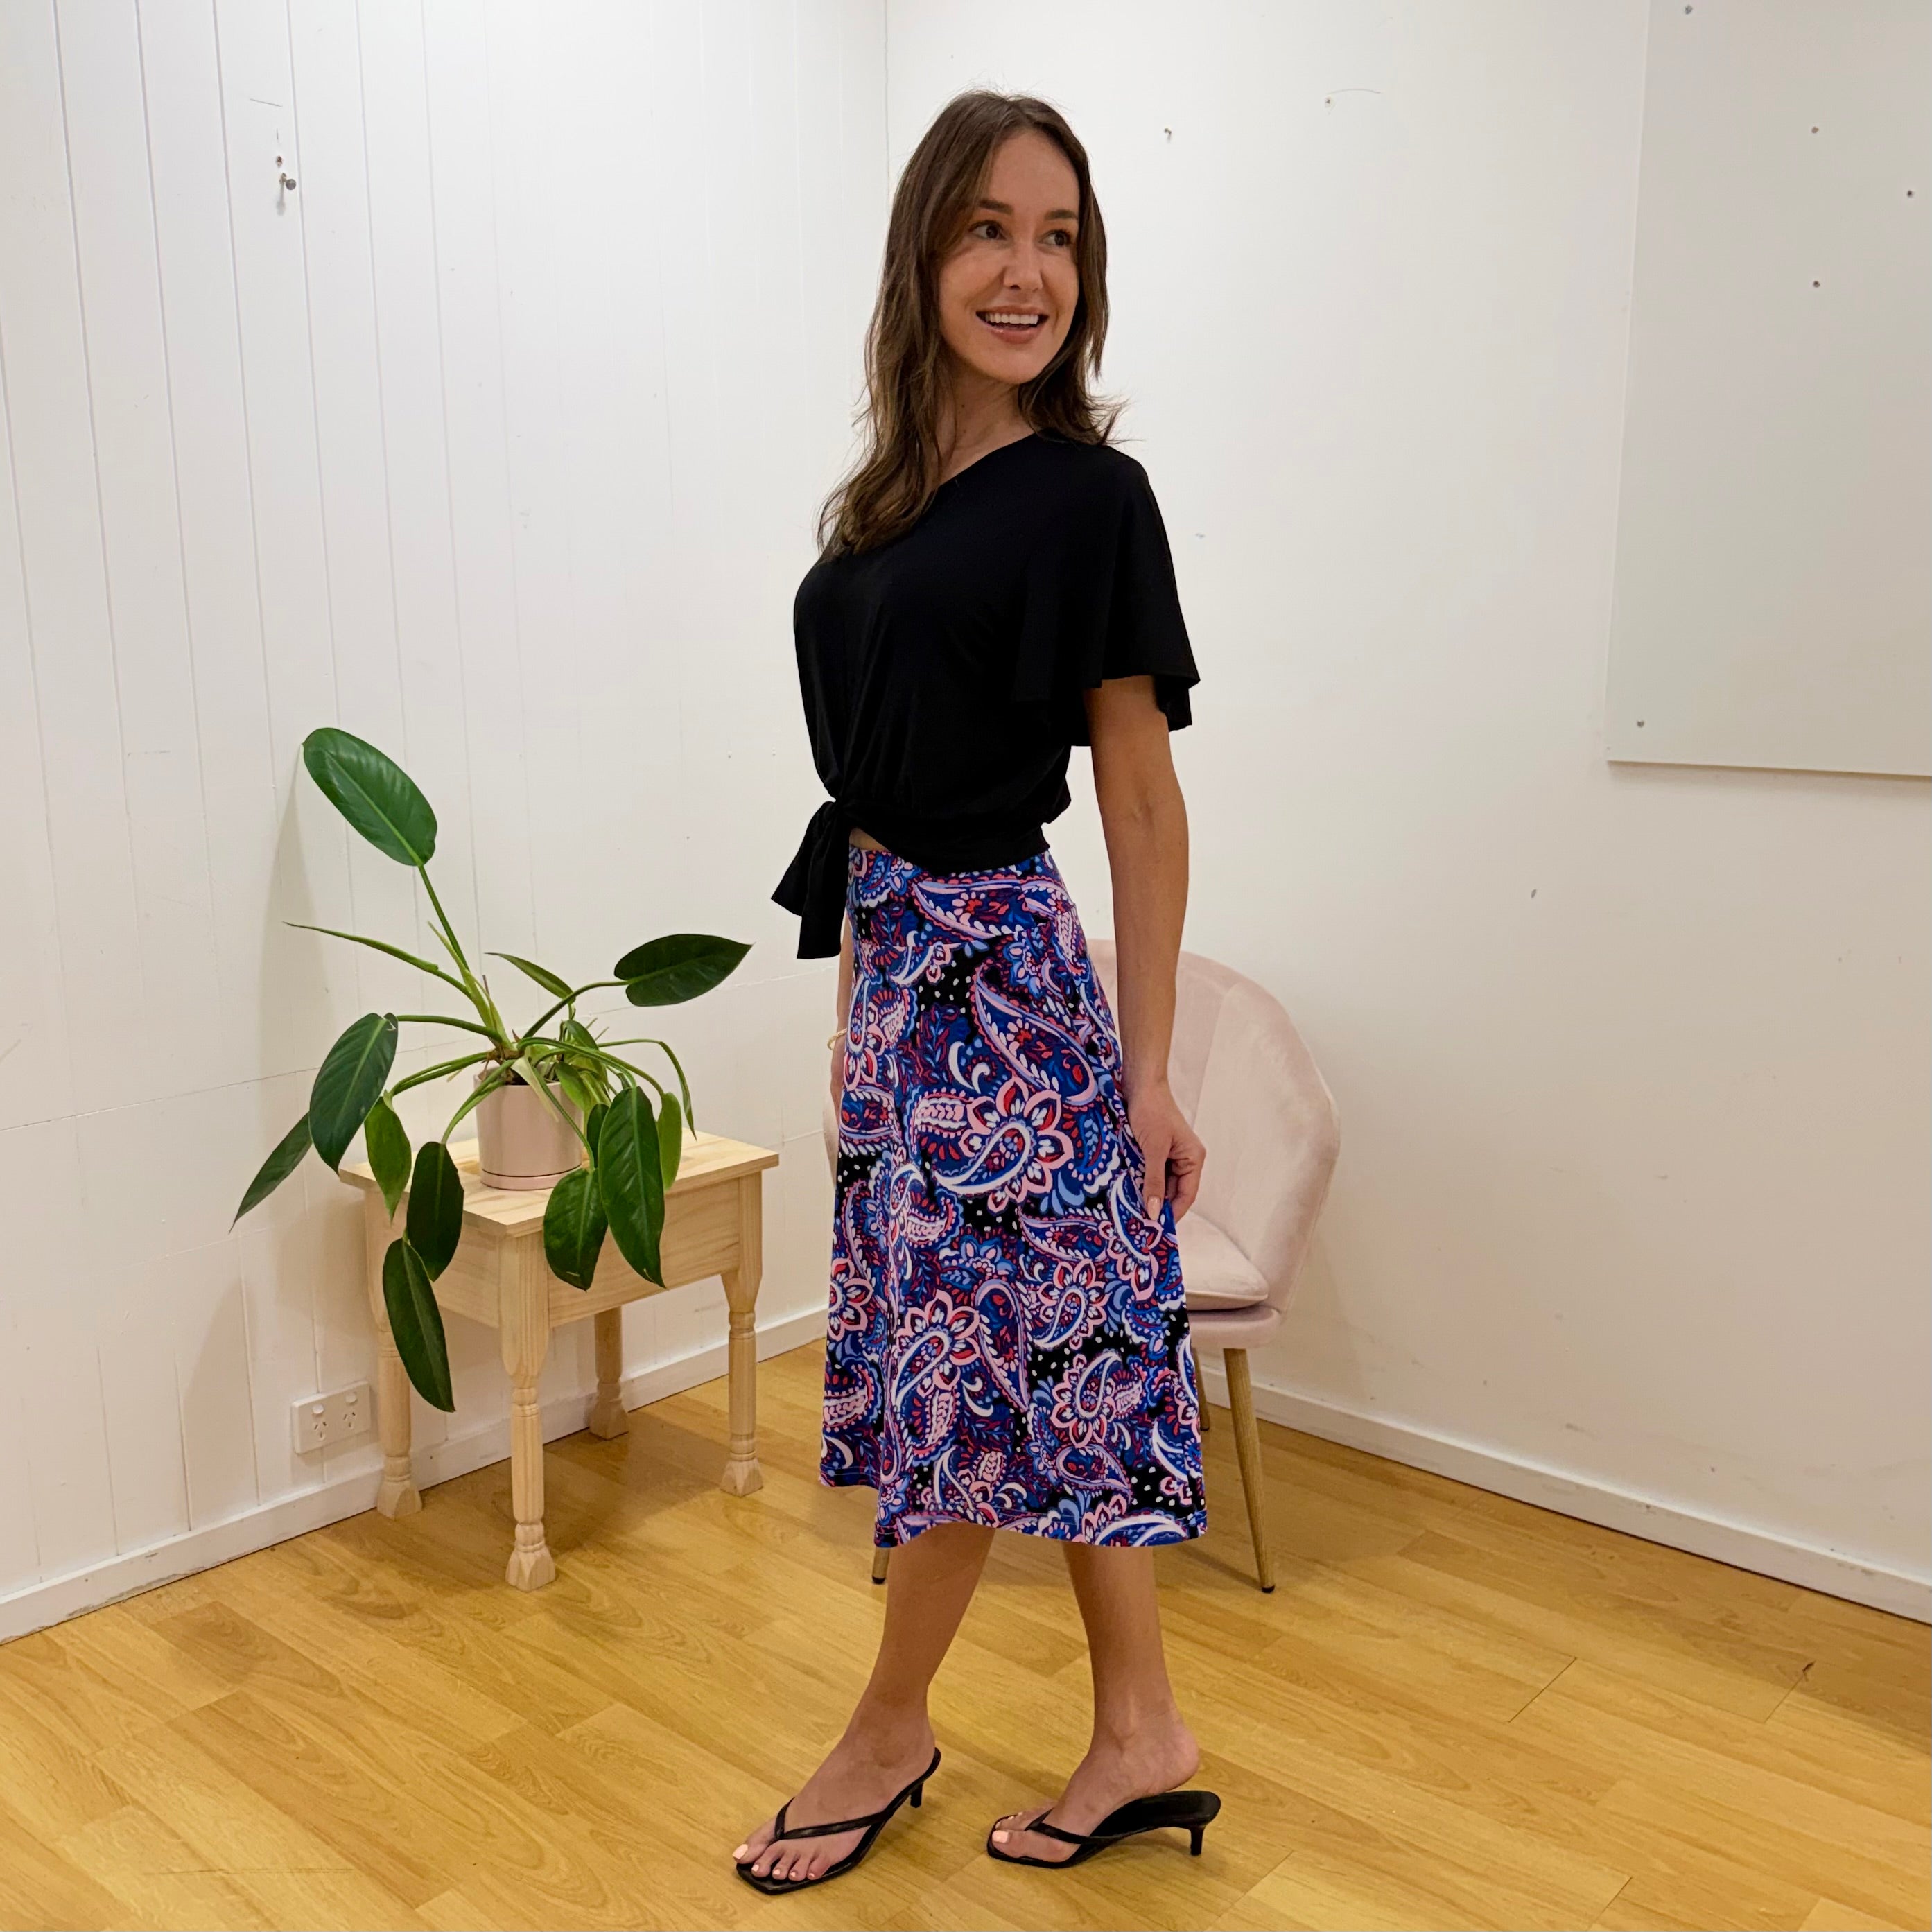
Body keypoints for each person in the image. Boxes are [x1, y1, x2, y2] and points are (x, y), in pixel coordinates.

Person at [736, 89, 1219, 1894]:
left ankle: (886, 1726)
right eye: (990, 229)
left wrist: (1149, 1070)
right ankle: (1142, 1732)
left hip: (1004, 983)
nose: (1027, 270)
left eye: (1061, 237)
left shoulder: (1090, 498)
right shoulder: (874, 512)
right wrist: (856, 1041)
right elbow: (866, 804)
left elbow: (1142, 801)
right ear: (924, 248)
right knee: (1062, 1364)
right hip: (895, 983)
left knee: (957, 1383)